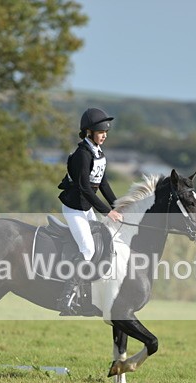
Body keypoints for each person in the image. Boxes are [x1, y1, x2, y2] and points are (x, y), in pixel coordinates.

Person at [56, 107, 124, 315]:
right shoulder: (82, 155)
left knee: (100, 243)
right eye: (101, 132)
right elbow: (85, 187)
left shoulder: (98, 153)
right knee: (87, 248)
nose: (104, 135)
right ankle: (65, 297)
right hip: (74, 208)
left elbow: (103, 184)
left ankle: (88, 291)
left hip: (85, 207)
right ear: (89, 132)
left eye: (106, 132)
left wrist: (117, 206)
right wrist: (106, 212)